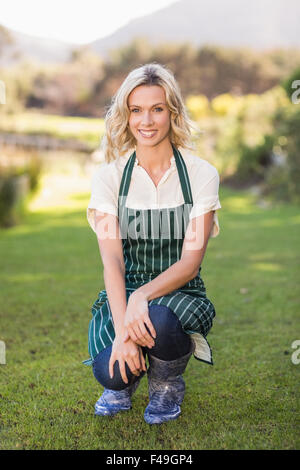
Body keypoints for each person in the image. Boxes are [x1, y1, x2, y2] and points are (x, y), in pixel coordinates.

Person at [83, 63, 221, 425]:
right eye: (136, 109)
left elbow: (190, 263)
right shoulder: (110, 176)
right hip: (123, 291)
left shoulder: (200, 174)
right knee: (110, 372)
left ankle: (166, 382)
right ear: (125, 116)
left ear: (172, 112)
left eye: (157, 109)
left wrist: (143, 298)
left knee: (159, 319)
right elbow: (112, 261)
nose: (147, 120)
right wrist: (124, 327)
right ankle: (126, 379)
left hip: (181, 291)